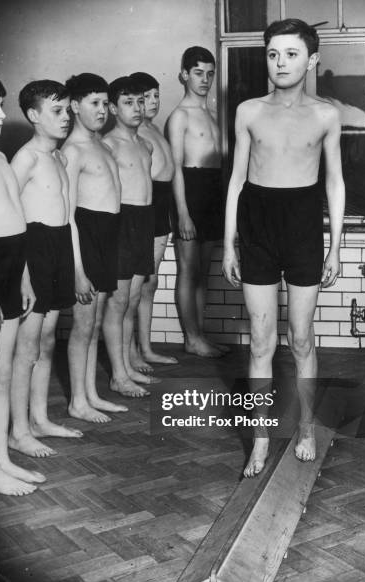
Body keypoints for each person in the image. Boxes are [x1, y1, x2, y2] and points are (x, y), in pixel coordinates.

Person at [223, 19, 345, 477]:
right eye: (273, 54)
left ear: (311, 60)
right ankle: (258, 439)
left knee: (301, 337)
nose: (281, 63)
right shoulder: (248, 111)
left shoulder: (326, 115)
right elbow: (236, 180)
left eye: (291, 54)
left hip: (302, 227)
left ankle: (308, 426)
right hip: (257, 226)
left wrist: (334, 248)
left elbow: (334, 182)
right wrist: (231, 243)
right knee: (259, 340)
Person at [9, 80, 83, 459]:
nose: (66, 117)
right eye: (57, 111)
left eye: (68, 110)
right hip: (33, 249)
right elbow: (9, 218)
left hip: (57, 247)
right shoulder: (25, 158)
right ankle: (18, 431)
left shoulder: (59, 158)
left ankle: (39, 419)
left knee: (48, 339)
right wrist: (22, 276)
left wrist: (79, 269)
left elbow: (68, 218)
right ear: (34, 116)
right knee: (27, 346)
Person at [63, 73, 128, 423]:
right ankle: (77, 400)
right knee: (83, 324)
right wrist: (78, 271)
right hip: (85, 236)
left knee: (97, 320)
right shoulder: (72, 151)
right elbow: (67, 214)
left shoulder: (102, 145)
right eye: (94, 103)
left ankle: (90, 395)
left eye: (105, 103)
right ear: (74, 106)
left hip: (107, 233)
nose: (103, 110)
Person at [0, 77, 44, 494]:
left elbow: (19, 222)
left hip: (11, 269)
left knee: (2, 374)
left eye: (0, 104)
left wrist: (24, 276)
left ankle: (1, 460)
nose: (0, 114)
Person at [167, 46, 228, 358]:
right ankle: (191, 337)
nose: (205, 79)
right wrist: (182, 214)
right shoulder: (179, 117)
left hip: (212, 192)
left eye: (209, 74)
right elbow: (176, 168)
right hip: (189, 191)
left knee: (204, 273)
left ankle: (199, 337)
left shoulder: (214, 116)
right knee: (188, 270)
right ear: (184, 75)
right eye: (198, 73)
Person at [102, 75, 158, 397]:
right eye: (128, 102)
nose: (137, 108)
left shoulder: (145, 144)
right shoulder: (108, 145)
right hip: (121, 224)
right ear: (113, 108)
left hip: (144, 220)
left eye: (140, 101)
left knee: (133, 300)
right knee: (118, 301)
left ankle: (127, 367)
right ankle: (118, 376)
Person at [132, 72, 178, 366]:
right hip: (144, 211)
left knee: (150, 282)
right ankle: (131, 353)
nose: (152, 102)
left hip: (161, 209)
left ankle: (145, 348)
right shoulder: (135, 133)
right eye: (145, 97)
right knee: (136, 285)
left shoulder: (156, 129)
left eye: (155, 95)